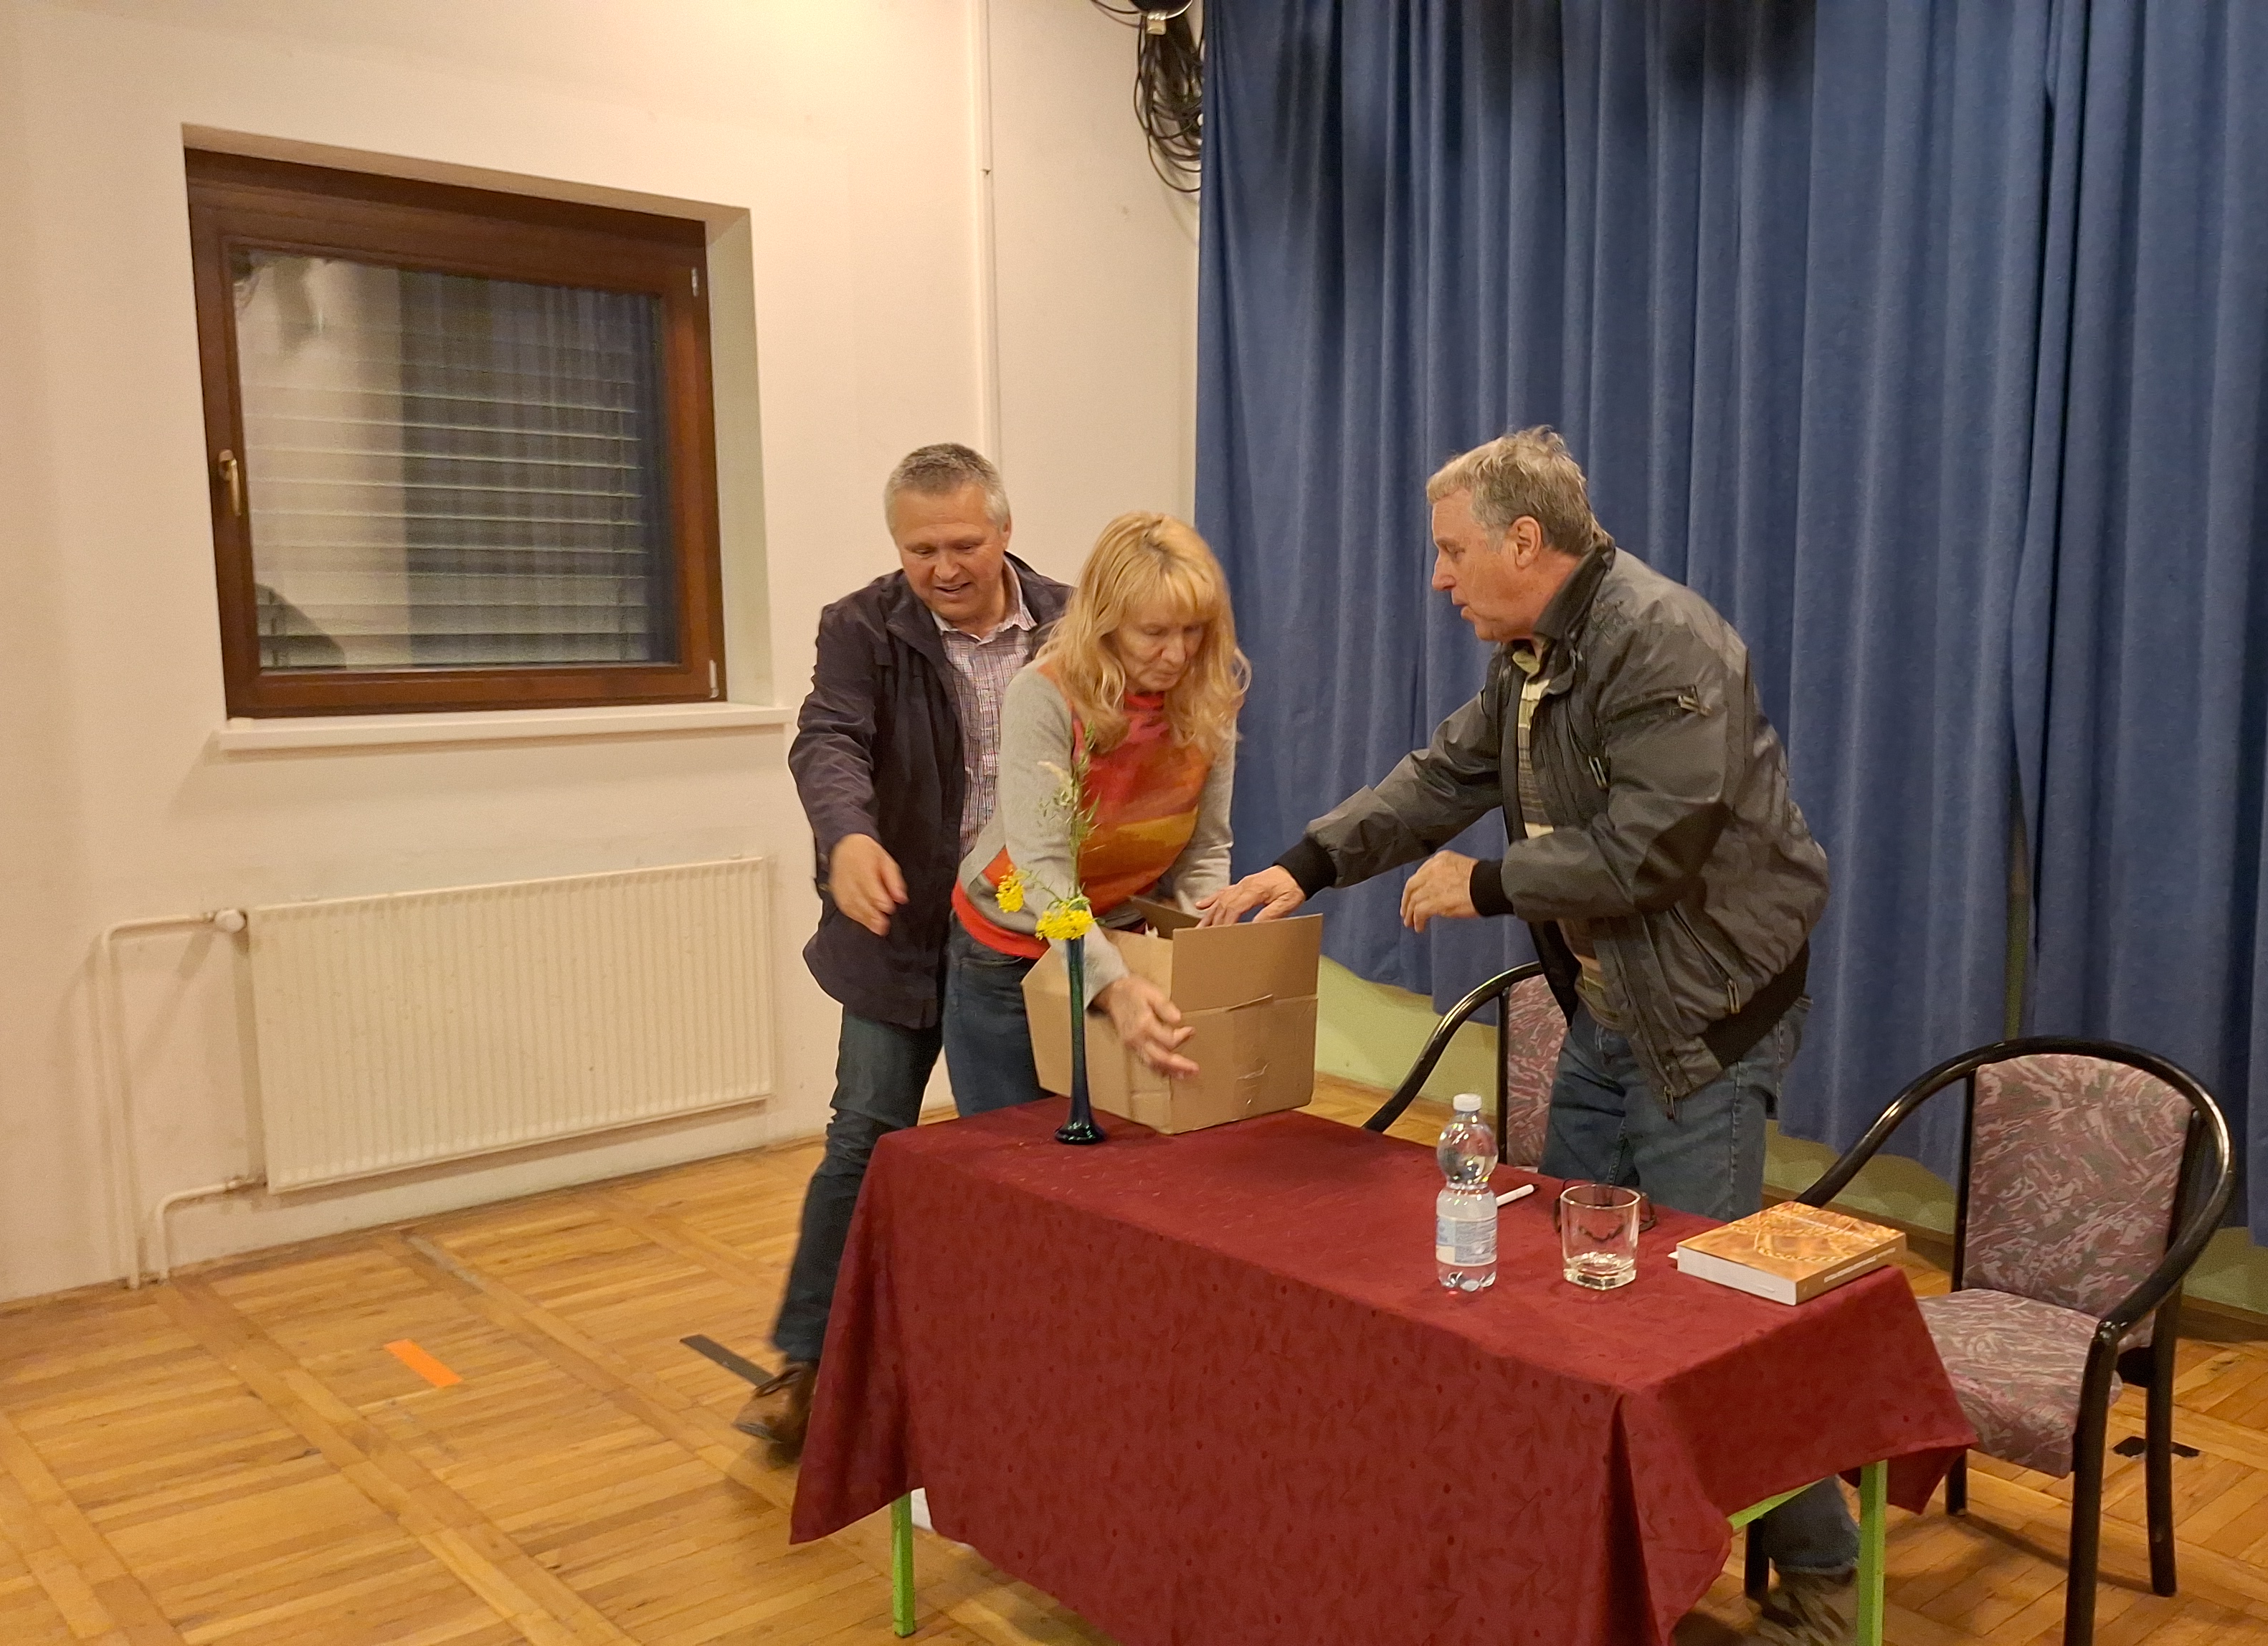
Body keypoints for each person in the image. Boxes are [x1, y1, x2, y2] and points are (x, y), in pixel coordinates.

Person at [1203, 428, 1857, 1643]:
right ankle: (1586, 1553)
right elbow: (1438, 779)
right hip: (1612, 1012)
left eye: (1453, 551)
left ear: (1522, 540)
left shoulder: (1664, 640)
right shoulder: (1534, 657)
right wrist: (1307, 865)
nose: (1439, 577)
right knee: (1570, 1298)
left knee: (1704, 1324)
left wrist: (1488, 884)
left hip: (1706, 1023)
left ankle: (1823, 1573)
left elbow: (1654, 848)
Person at [737, 444, 1072, 1453]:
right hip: (897, 930)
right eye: (920, 549)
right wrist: (848, 835)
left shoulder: (1071, 622)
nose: (943, 567)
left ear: (1005, 531)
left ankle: (1025, 1359)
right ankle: (806, 1361)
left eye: (963, 543)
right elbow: (828, 739)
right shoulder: (860, 626)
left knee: (1023, 1153)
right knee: (865, 1136)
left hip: (1022, 941)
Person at [943, 512, 1247, 1110]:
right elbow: (1041, 869)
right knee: (1014, 1149)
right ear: (1106, 624)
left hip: (1119, 938)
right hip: (1009, 949)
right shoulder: (1046, 693)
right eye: (1154, 632)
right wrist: (1111, 985)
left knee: (1112, 1145)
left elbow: (1206, 848)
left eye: (1193, 631)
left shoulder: (1208, 700)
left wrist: (1199, 953)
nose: (1177, 654)